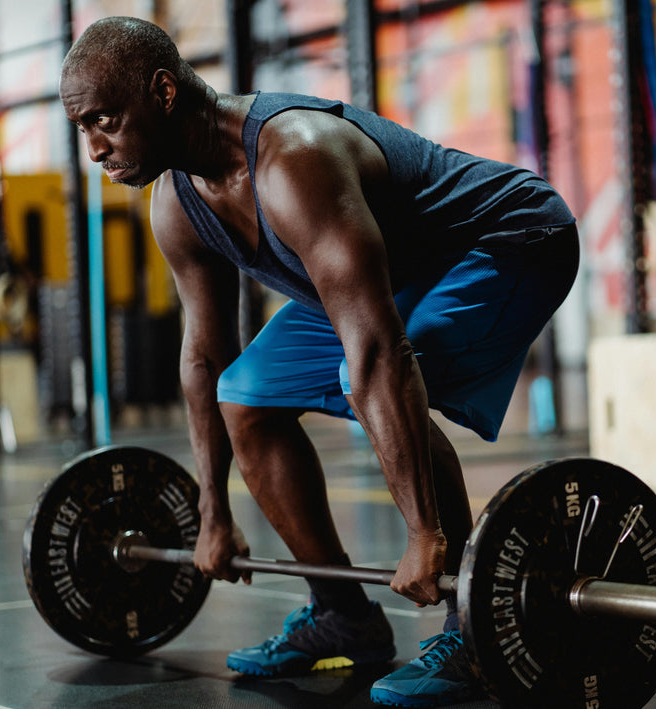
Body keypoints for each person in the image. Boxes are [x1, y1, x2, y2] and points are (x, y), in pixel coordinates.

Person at [61, 16, 578, 707]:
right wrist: (210, 510)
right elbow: (206, 357)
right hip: (395, 273)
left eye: (106, 121)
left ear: (161, 91)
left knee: (370, 372)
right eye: (83, 128)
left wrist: (425, 533)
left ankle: (473, 627)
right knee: (245, 395)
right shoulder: (178, 204)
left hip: (508, 239)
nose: (94, 147)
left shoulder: (292, 160)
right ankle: (343, 613)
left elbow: (379, 352)